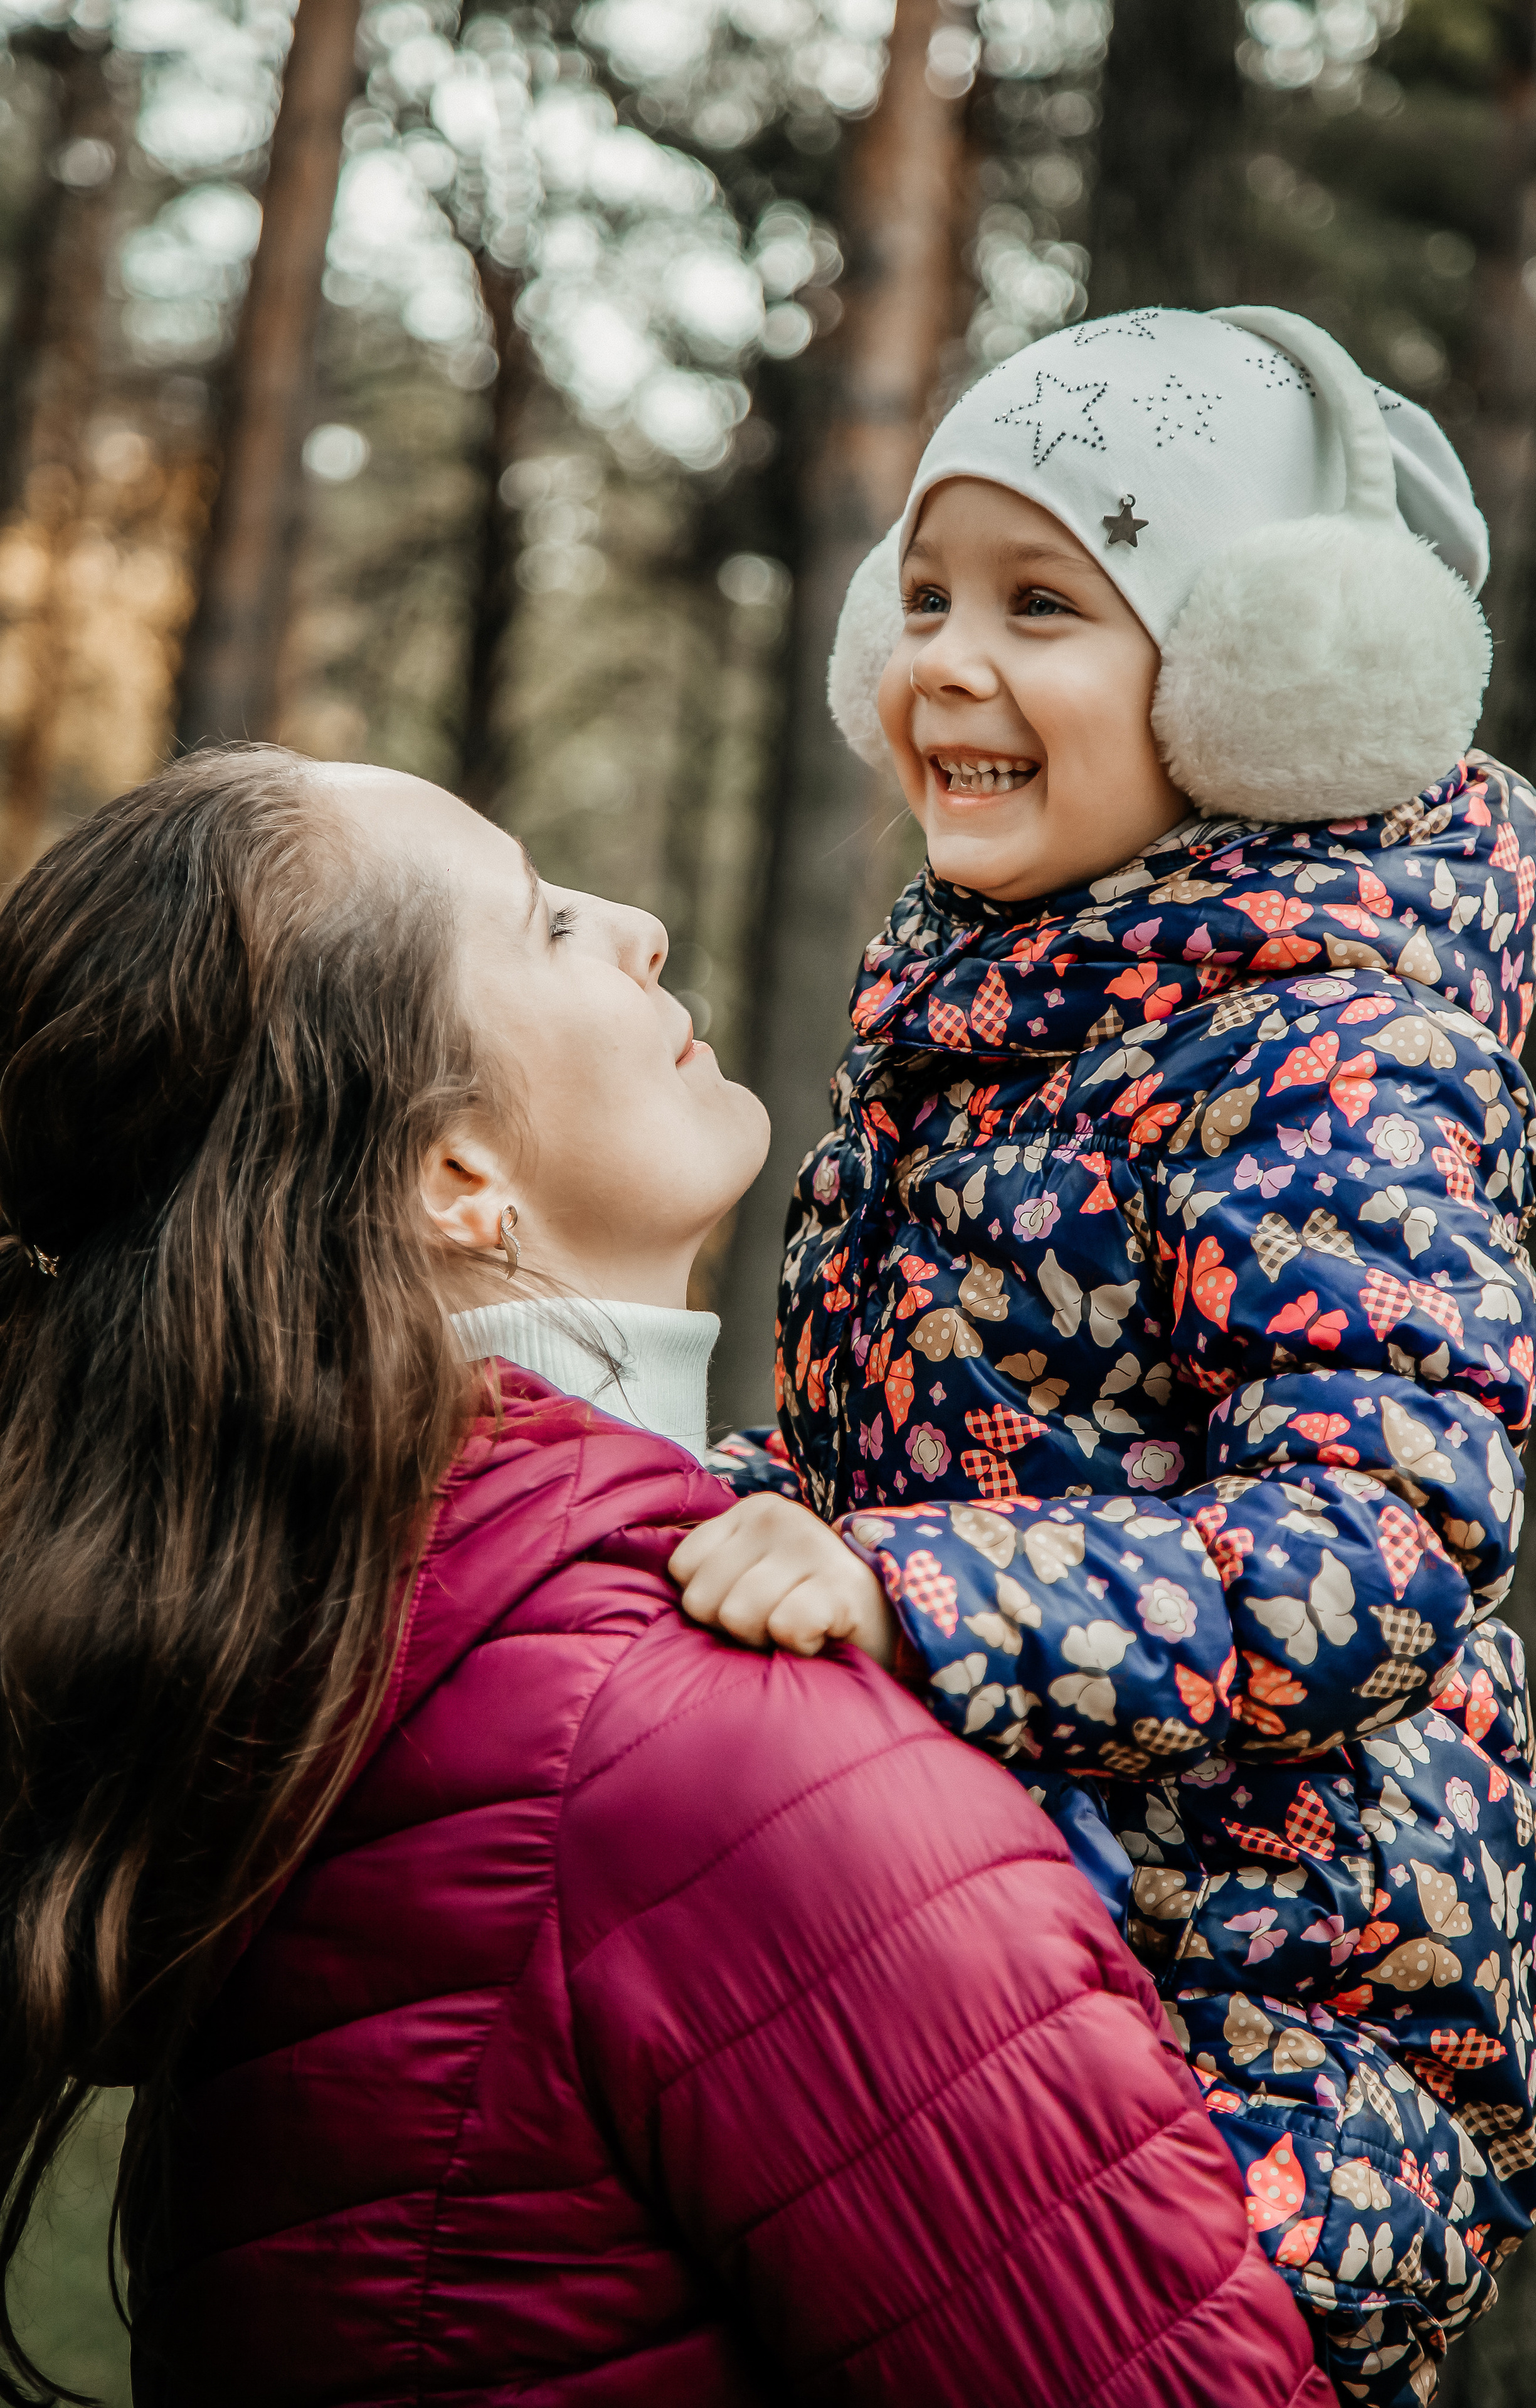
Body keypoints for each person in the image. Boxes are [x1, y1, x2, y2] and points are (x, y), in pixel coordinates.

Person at [0, 746, 1331, 2408]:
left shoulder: (331, 1654)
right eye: (546, 923)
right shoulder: (691, 1752)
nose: (635, 923)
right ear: (455, 1177)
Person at [671, 307, 1536, 2407]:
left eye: (1047, 604)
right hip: (1024, 1950)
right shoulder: (975, 1014)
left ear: (1268, 685)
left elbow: (1386, 1538)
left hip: (1278, 2047)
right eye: (927, 598)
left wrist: (913, 1589)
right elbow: (884, 1454)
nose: (945, 660)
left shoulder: (1331, 1051)